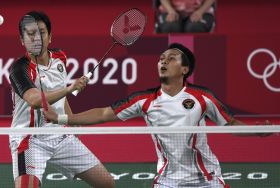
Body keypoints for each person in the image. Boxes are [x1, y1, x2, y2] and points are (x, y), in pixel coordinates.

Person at [43, 43, 272, 188]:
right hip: (167, 182)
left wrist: (258, 131)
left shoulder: (202, 97)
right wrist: (62, 119)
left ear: (185, 70)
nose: (163, 60)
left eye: (171, 58)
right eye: (161, 57)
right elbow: (104, 114)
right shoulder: (145, 100)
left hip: (207, 180)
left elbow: (229, 122)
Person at [9, 11, 115, 188]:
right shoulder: (20, 69)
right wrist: (70, 88)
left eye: (41, 32)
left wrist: (71, 122)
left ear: (50, 37)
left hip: (60, 135)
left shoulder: (59, 58)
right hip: (30, 139)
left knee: (107, 183)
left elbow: (61, 98)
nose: (37, 38)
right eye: (30, 33)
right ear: (22, 40)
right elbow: (35, 100)